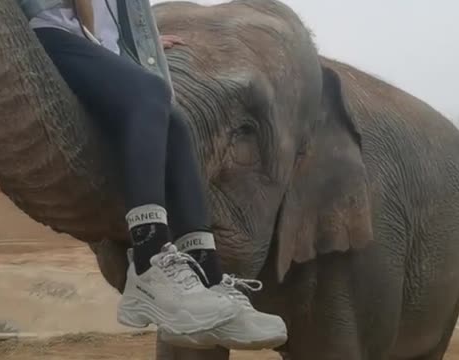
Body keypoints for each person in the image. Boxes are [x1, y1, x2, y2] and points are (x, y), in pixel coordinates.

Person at [15, 0, 287, 350]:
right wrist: (104, 48)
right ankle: (148, 260)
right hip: (57, 35)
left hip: (100, 51)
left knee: (176, 124)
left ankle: (208, 273)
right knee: (150, 93)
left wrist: (149, 43)